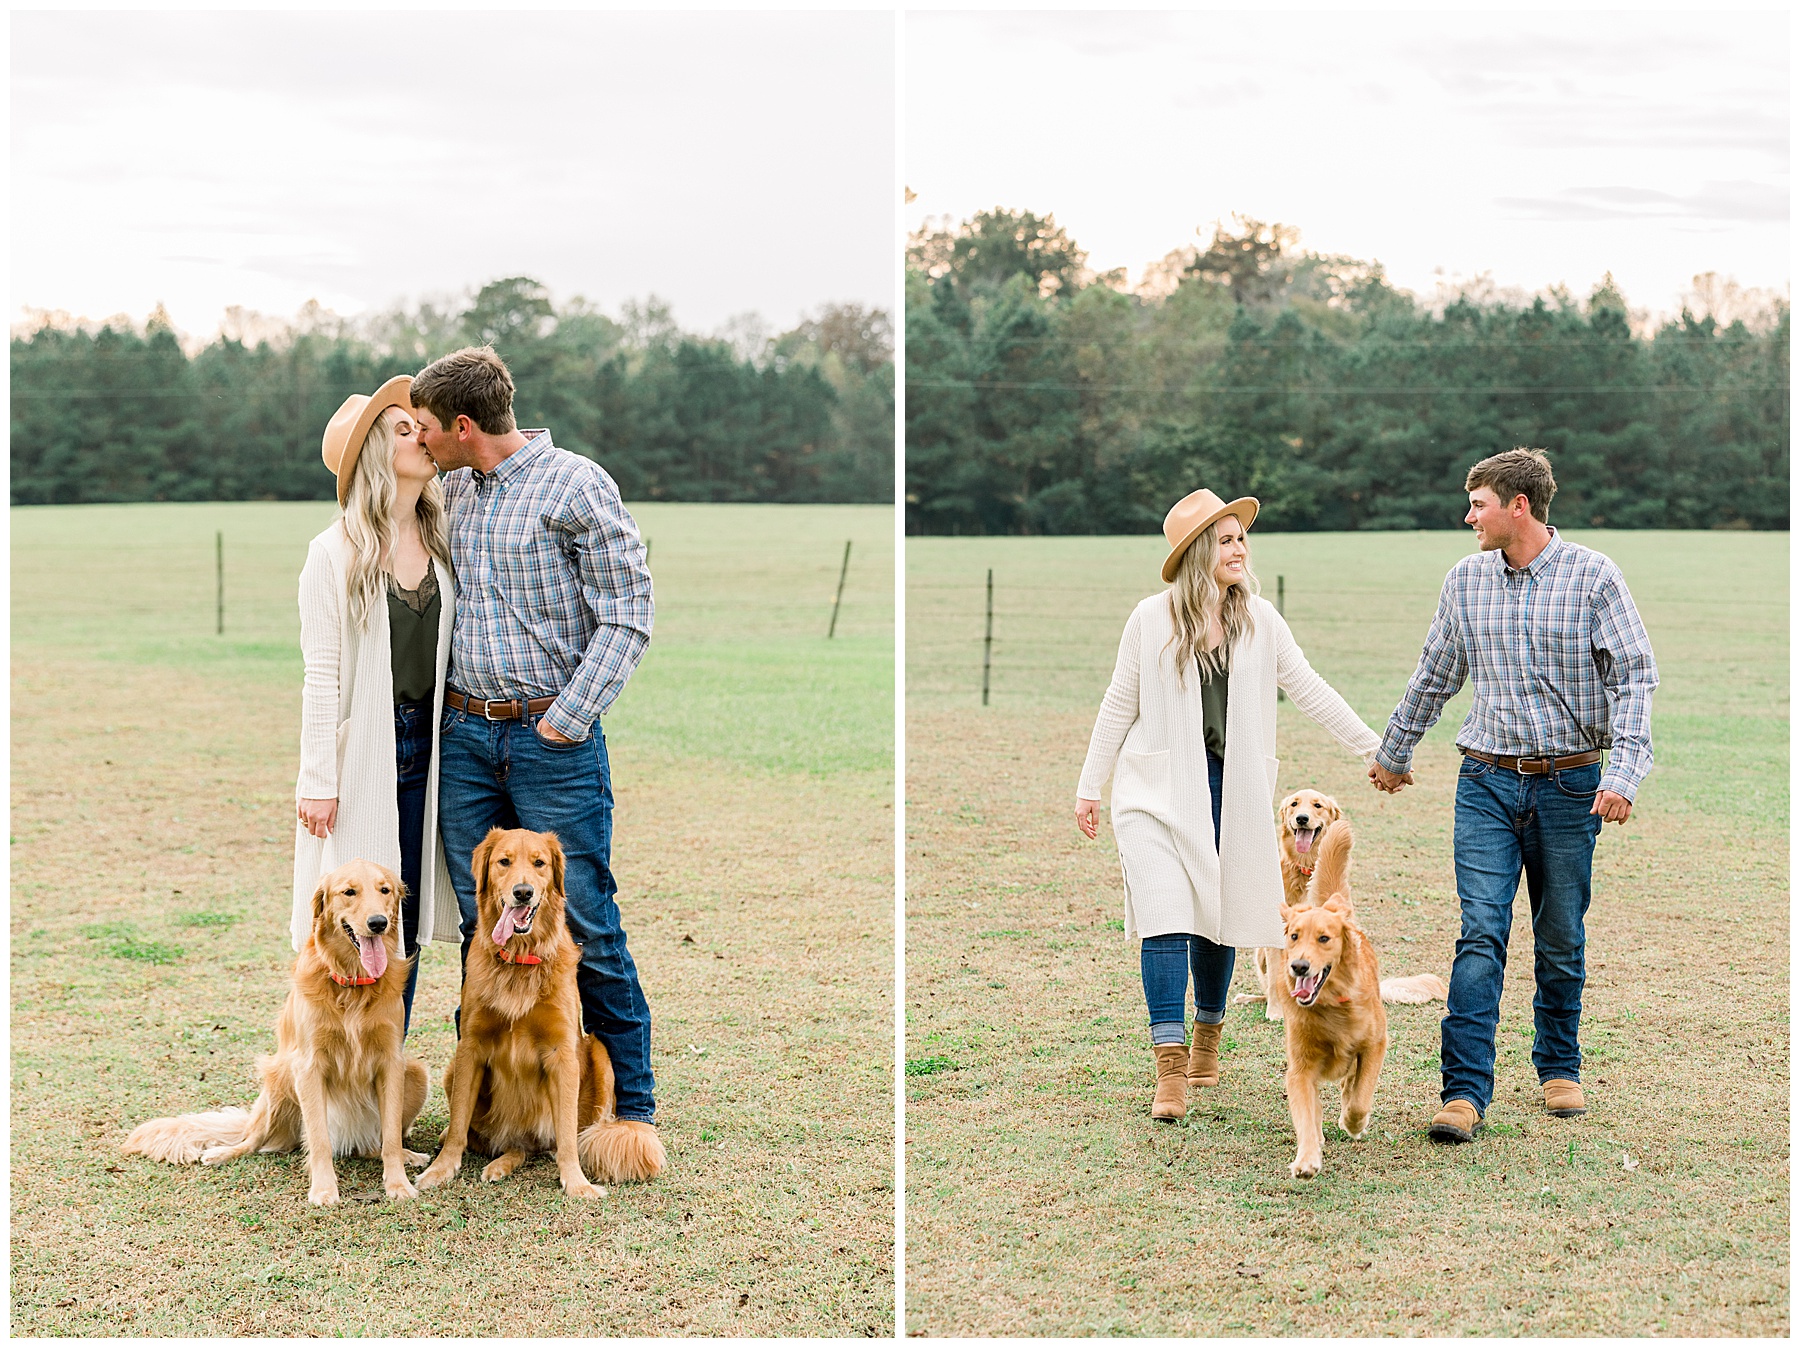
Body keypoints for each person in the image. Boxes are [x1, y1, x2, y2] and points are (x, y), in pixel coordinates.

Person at [1368, 448, 1657, 1144]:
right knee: (1481, 934)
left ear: (1517, 506)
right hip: (1486, 783)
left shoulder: (1594, 576)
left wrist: (1623, 774)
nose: (1468, 516)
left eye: (1479, 504)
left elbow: (1635, 677)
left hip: (1571, 785)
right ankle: (1463, 1093)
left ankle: (1559, 1064)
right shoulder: (1465, 582)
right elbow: (1435, 672)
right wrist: (1394, 750)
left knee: (1559, 936)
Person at [410, 345, 662, 1142]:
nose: (419, 443)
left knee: (587, 920)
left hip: (554, 738)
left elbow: (629, 611)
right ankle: (484, 1114)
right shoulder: (451, 489)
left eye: (424, 429)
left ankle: (627, 1112)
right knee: (480, 924)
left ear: (461, 425)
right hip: (465, 736)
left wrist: (566, 718)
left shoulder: (576, 484)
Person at [1076, 488, 1381, 1122]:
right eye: (1225, 540)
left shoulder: (1261, 621)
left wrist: (1374, 750)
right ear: (1196, 554)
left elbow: (1309, 689)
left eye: (1241, 537)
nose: (1239, 548)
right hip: (1155, 794)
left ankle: (1208, 1039)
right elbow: (1117, 705)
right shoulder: (1149, 620)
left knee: (1220, 915)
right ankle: (1169, 1066)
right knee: (1164, 916)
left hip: (1231, 792)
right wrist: (1090, 784)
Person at [294, 376, 460, 1034]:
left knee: (402, 920)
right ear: (372, 456)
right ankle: (338, 1084)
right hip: (364, 753)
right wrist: (317, 780)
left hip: (434, 749)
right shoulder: (332, 553)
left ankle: (384, 1079)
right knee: (353, 921)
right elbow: (322, 673)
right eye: (403, 429)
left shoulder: (442, 539)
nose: (423, 434)